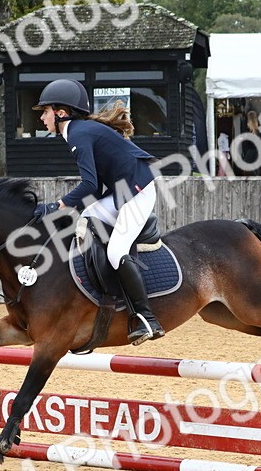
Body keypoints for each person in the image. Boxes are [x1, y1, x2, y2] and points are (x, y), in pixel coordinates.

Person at [32, 79, 165, 345]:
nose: (42, 118)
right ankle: (104, 294)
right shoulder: (78, 131)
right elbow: (94, 189)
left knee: (117, 250)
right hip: (119, 192)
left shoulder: (78, 133)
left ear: (61, 113)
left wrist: (58, 205)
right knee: (84, 221)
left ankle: (146, 318)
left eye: (45, 112)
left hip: (138, 190)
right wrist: (68, 207)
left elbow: (90, 184)